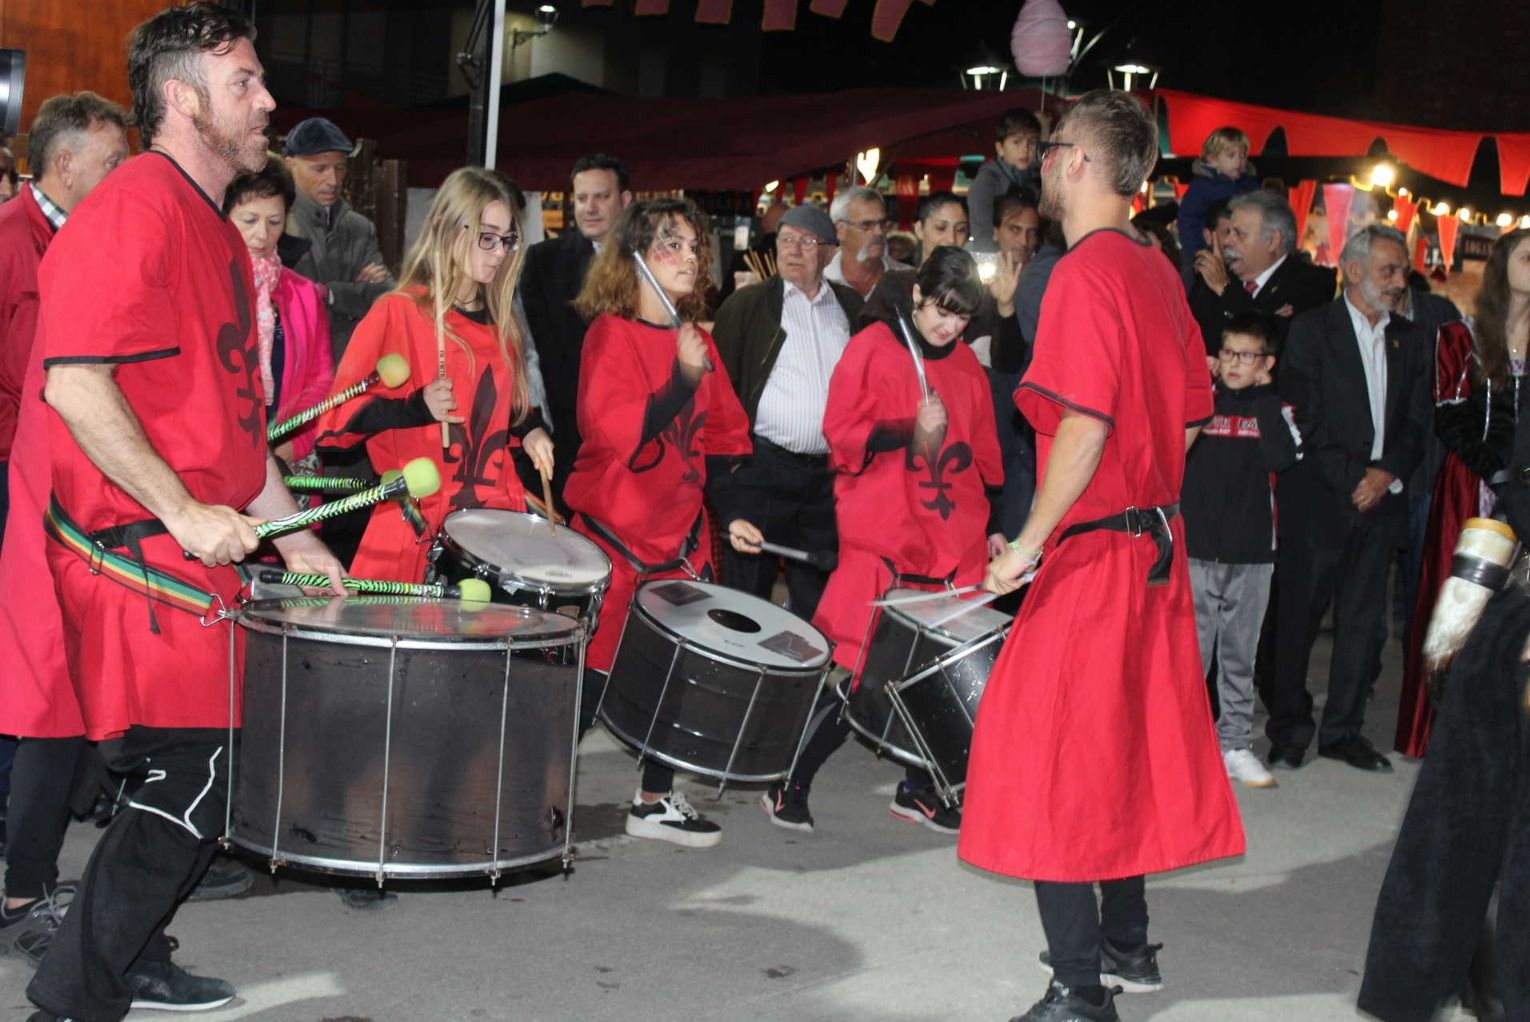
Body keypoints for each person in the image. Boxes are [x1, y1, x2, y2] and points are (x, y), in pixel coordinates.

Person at [23, 7, 346, 1020]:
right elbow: (75, 384)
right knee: (200, 770)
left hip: (182, 546)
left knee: (189, 771)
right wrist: (184, 510)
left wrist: (300, 540)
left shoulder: (208, 230)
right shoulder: (135, 211)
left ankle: (128, 952)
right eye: (244, 81)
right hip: (135, 551)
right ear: (181, 98)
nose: (266, 99)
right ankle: (72, 995)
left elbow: (233, 436)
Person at [960, 90, 1246, 1022]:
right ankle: (1128, 945)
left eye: (1050, 150)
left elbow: (1083, 427)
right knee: (1119, 752)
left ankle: (1080, 991)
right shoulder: (1160, 270)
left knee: (1046, 760)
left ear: (1080, 161)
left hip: (1099, 553)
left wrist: (1029, 547)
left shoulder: (1083, 274)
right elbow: (1193, 418)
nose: (1039, 164)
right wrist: (1137, 494)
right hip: (1154, 548)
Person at [752, 246, 1003, 835]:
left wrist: (995, 526)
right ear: (916, 295)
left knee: (934, 679)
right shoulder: (872, 349)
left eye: (962, 316)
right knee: (865, 678)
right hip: (889, 542)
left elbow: (982, 457)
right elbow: (841, 435)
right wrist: (905, 430)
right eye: (941, 309)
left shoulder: (966, 366)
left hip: (954, 544)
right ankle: (789, 779)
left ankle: (918, 789)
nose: (949, 324)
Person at [565, 198, 752, 847]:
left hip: (679, 541)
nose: (691, 257)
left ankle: (654, 800)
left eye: (696, 247)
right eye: (673, 244)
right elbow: (621, 434)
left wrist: (738, 516)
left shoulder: (696, 340)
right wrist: (679, 378)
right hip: (618, 541)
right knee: (591, 673)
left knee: (681, 670)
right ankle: (533, 794)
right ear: (638, 258)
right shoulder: (610, 336)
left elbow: (727, 440)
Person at [0, 89, 129, 966]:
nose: (122, 181)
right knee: (38, 689)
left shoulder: (70, 240)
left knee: (42, 688)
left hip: (50, 481)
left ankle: (26, 872)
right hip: (24, 478)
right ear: (66, 163)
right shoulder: (15, 240)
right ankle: (20, 892)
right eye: (112, 164)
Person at [316, 167, 553, 583]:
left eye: (508, 239)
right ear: (449, 229)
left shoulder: (504, 328)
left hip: (493, 525)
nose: (500, 252)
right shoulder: (399, 312)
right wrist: (414, 407)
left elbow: (500, 413)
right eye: (488, 237)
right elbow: (335, 424)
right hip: (415, 524)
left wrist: (530, 427)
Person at [1266, 224, 1430, 773]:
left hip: (1382, 502)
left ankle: (1343, 733)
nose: (1399, 280)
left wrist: (1384, 476)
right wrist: (1355, 479)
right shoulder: (1312, 331)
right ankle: (1289, 730)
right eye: (1389, 269)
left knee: (1363, 626)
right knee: (1298, 623)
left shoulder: (1411, 337)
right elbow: (1304, 415)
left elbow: (1415, 421)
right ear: (1354, 270)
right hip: (1321, 500)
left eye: (1403, 269)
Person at [1396, 229, 1527, 757]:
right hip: (1473, 488)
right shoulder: (1462, 336)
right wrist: (1497, 472)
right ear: (1503, 265)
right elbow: (1450, 418)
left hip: (1526, 493)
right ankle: (1436, 731)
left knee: (1515, 612)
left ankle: (1503, 731)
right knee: (1454, 607)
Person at [711, 204, 861, 617]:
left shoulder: (852, 309)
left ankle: (805, 679)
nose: (794, 249)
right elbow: (718, 398)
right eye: (786, 239)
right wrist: (729, 477)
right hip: (761, 469)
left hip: (825, 480)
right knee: (745, 601)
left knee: (818, 601)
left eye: (807, 241)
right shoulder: (747, 307)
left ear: (830, 252)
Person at [1184, 313, 1299, 789]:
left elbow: (1283, 458)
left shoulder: (1276, 409)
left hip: (1252, 554)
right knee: (1191, 656)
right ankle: (1187, 746)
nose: (1234, 363)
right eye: (1228, 352)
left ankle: (1233, 743)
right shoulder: (1201, 401)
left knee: (1239, 655)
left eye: (1246, 356)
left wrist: (1266, 399)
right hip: (1198, 548)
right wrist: (1200, 382)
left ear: (1266, 364)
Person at [519, 153, 632, 509]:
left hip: (631, 439)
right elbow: (529, 351)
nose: (590, 207)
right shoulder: (543, 260)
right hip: (563, 440)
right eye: (582, 198)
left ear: (625, 201)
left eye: (602, 196)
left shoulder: (649, 263)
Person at [226, 154, 334, 477]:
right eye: (249, 220)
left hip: (287, 459)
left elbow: (322, 381)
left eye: (275, 222)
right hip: (222, 461)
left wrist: (292, 445)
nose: (262, 234)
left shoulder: (303, 293)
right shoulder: (207, 285)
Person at [282, 115, 393, 357]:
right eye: (320, 168)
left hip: (347, 370)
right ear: (290, 164)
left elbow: (385, 296)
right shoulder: (275, 224)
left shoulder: (360, 228)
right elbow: (287, 299)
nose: (333, 180)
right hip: (296, 367)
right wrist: (355, 293)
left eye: (340, 168)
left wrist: (329, 292)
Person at [1189, 190, 1336, 354]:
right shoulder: (1212, 280)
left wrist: (1225, 290)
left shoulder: (1310, 284)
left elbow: (1273, 342)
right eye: (1229, 232)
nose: (1228, 241)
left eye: (1239, 234)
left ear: (1272, 241)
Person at [1176, 126, 1258, 286]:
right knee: (1193, 284)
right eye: (1231, 155)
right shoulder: (1202, 187)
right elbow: (1188, 220)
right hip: (1205, 249)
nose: (1238, 161)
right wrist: (1197, 251)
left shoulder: (1249, 186)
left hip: (1240, 252)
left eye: (1242, 155)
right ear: (1213, 159)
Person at [967, 108, 1042, 254]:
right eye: (1017, 142)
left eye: (1032, 142)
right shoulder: (987, 181)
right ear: (1000, 148)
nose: (1025, 149)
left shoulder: (1038, 178)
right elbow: (982, 232)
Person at [824, 186, 894, 299]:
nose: (879, 232)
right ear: (840, 230)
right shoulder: (817, 281)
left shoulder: (908, 281)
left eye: (882, 223)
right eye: (866, 225)